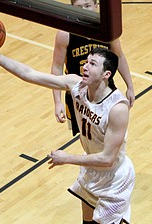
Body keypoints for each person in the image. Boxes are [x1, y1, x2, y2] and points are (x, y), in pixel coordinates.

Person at [0, 48, 147, 224]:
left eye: (93, 64)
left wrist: (66, 158)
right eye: (86, 62)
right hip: (91, 170)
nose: (85, 66)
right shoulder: (75, 84)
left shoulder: (117, 108)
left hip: (114, 179)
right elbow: (30, 74)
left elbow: (107, 158)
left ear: (107, 74)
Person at [51, 0, 135, 136]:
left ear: (96, 6)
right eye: (79, 7)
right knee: (86, 137)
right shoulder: (65, 33)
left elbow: (119, 57)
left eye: (88, 6)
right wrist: (57, 101)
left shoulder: (107, 29)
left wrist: (130, 86)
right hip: (78, 95)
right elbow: (57, 67)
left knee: (109, 137)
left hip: (104, 93)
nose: (84, 10)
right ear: (71, 9)